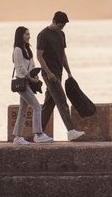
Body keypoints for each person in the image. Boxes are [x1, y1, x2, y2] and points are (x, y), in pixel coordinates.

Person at [37, 11, 85, 142]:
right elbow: (39, 56)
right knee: (62, 102)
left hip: (59, 73)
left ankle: (38, 133)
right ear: (53, 21)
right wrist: (48, 73)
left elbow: (63, 55)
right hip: (50, 75)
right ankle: (71, 131)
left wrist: (69, 72)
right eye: (60, 25)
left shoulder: (61, 34)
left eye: (63, 26)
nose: (61, 28)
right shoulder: (43, 35)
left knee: (49, 104)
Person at [12, 26, 53, 145]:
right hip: (22, 83)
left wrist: (35, 76)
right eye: (26, 34)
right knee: (37, 106)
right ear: (20, 35)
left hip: (28, 82)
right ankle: (38, 134)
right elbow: (20, 68)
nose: (29, 36)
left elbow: (32, 65)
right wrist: (30, 78)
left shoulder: (26, 49)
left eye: (29, 34)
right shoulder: (18, 49)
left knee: (23, 110)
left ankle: (17, 137)